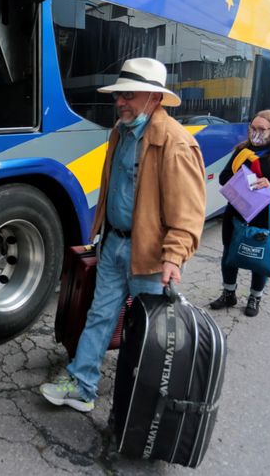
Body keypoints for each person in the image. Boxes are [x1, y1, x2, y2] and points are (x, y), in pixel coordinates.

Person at [40, 58, 206, 412]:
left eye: (127, 95)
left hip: (149, 256)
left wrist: (174, 257)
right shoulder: (120, 132)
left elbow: (189, 213)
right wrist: (99, 233)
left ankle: (142, 403)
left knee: (147, 334)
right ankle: (82, 385)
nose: (119, 102)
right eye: (119, 95)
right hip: (114, 245)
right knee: (100, 316)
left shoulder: (175, 143)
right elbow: (112, 191)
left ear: (153, 98)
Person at [209, 110, 270, 317]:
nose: (255, 133)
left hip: (269, 214)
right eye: (252, 128)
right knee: (229, 254)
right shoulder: (242, 150)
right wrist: (239, 182)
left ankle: (255, 296)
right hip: (237, 211)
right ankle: (229, 293)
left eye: (261, 129)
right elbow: (225, 176)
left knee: (260, 257)